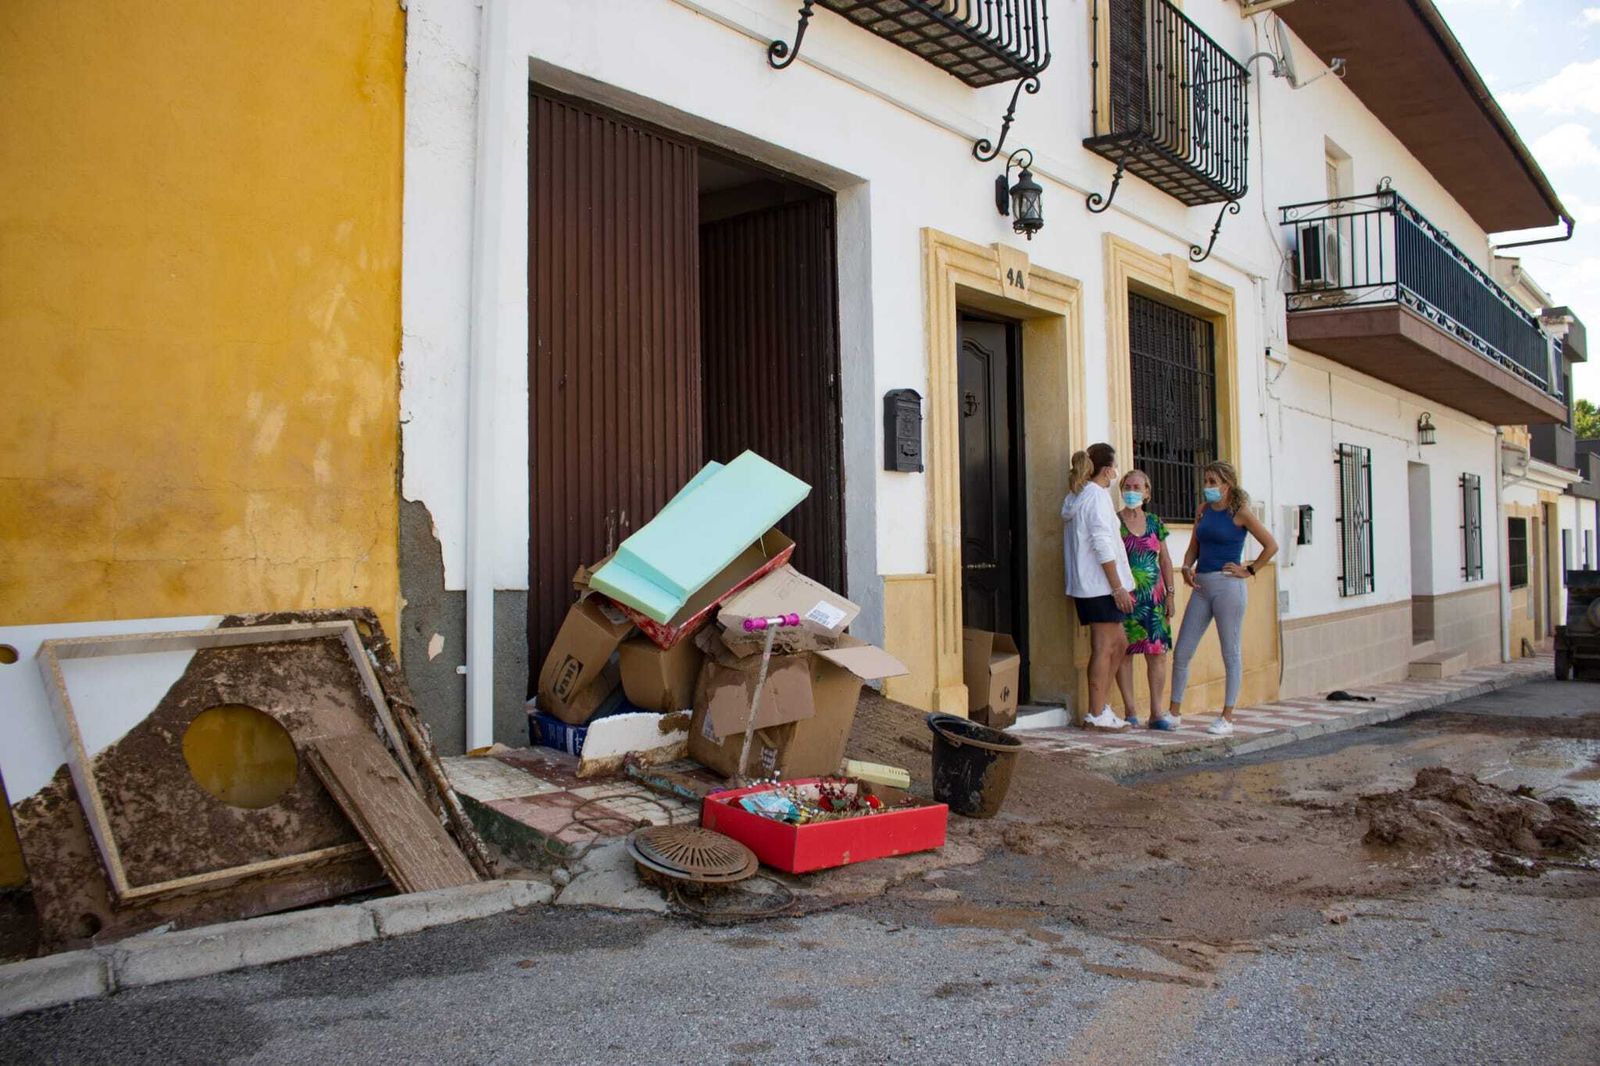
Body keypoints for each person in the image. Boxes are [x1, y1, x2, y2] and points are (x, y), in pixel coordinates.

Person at [1168, 461, 1279, 736]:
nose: (1207, 487)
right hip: (1202, 585)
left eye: (1212, 482)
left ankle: (1227, 717)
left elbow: (1271, 545)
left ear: (1227, 485)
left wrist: (1249, 569)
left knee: (1230, 651)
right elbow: (1195, 544)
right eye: (1206, 481)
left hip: (1229, 586)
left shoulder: (1239, 513)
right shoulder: (1203, 511)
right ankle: (1173, 712)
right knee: (1182, 650)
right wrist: (1185, 566)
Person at [1061, 442, 1135, 730]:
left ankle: (1101, 706)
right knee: (1105, 646)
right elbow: (1102, 543)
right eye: (1114, 467)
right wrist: (1117, 587)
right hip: (1100, 586)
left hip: (1093, 585)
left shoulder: (1081, 496)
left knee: (1119, 644)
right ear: (1107, 470)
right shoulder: (1096, 497)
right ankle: (1095, 712)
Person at [1113, 470, 1178, 730]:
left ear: (1147, 492)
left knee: (1157, 654)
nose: (1132, 490)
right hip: (1125, 598)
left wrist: (1170, 595)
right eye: (1127, 486)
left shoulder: (1154, 522)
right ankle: (1130, 711)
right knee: (1124, 653)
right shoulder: (1114, 522)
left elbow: (1165, 559)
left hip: (1155, 599)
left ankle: (1156, 713)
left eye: (1137, 487)